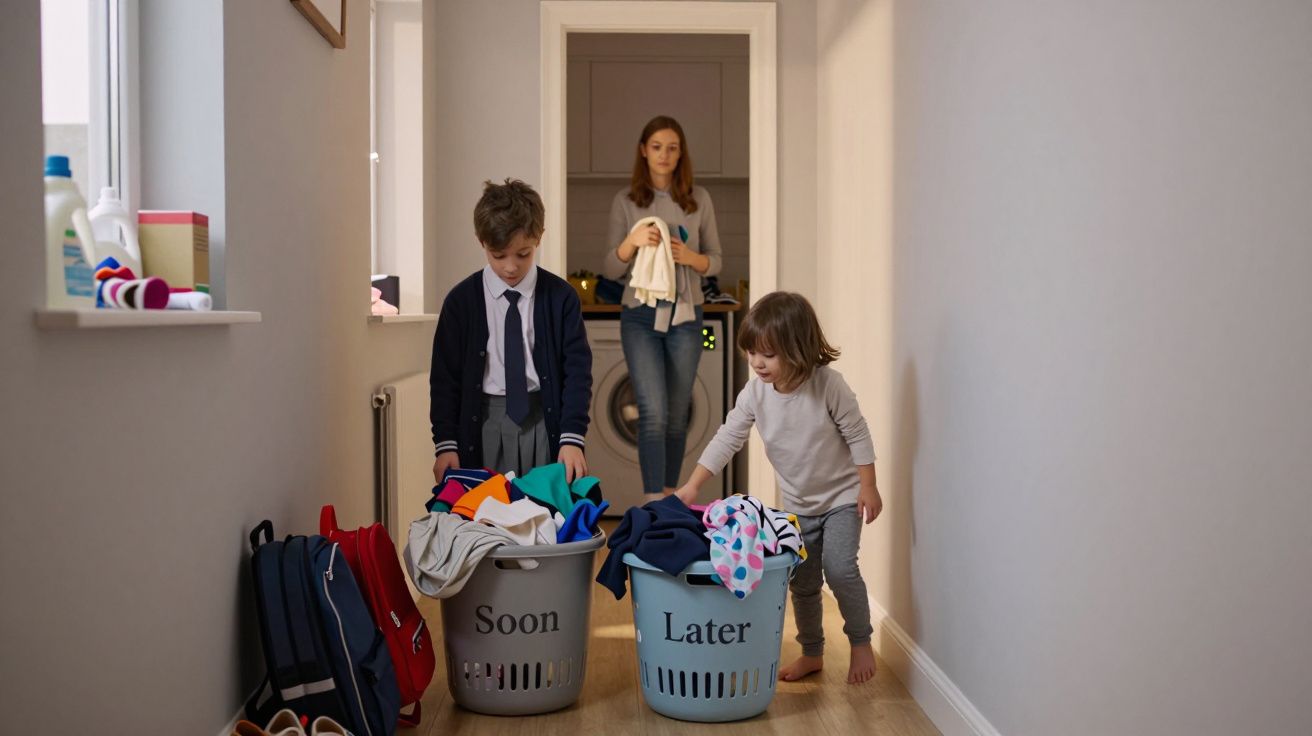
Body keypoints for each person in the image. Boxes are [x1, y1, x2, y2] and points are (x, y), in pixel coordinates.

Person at [676, 292, 884, 684]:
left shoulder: (828, 386)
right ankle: (812, 652)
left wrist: (868, 485)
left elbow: (858, 433)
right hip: (797, 504)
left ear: (798, 348)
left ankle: (860, 641)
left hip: (841, 499)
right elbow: (728, 437)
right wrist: (692, 485)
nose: (757, 363)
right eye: (752, 352)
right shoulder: (755, 393)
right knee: (802, 582)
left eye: (768, 354)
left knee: (839, 570)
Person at [430, 179, 592, 482]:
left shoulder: (561, 298)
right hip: (483, 425)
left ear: (539, 238)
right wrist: (446, 443)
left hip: (545, 421)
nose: (510, 267)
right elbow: (444, 379)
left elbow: (577, 373)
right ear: (482, 242)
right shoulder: (460, 302)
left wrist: (571, 436)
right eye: (498, 255)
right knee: (486, 517)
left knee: (546, 516)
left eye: (523, 254)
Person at [601, 115, 723, 500]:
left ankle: (670, 498)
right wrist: (633, 242)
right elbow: (610, 266)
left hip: (687, 317)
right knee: (652, 413)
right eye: (657, 147)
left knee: (675, 416)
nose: (664, 155)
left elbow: (716, 261)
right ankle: (655, 502)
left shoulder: (699, 200)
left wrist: (691, 256)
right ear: (644, 151)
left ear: (681, 152)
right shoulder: (626, 202)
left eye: (672, 147)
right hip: (639, 315)